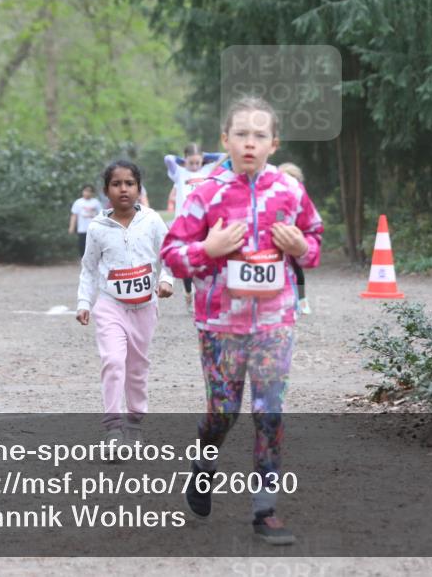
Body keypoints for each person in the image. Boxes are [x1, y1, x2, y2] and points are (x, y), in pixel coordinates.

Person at [161, 97, 323, 546]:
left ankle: (265, 510)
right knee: (223, 414)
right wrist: (206, 251)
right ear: (224, 141)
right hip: (220, 326)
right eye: (241, 134)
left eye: (259, 135)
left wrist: (300, 248)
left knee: (268, 413)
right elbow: (173, 256)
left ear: (274, 143)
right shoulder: (205, 193)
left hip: (275, 322)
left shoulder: (289, 192)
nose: (249, 143)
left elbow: (315, 240)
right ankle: (203, 466)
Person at [76, 160, 174, 448]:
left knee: (137, 366)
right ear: (107, 190)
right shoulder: (97, 228)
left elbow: (168, 254)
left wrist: (166, 279)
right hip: (110, 305)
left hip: (145, 307)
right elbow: (89, 268)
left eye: (129, 183)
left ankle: (134, 422)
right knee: (114, 361)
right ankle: (113, 427)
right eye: (116, 184)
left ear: (138, 188)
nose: (123, 189)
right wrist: (84, 302)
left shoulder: (153, 221)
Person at [164, 144, 225, 313]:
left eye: (198, 162)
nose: (195, 166)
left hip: (205, 221)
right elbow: (168, 158)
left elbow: (224, 156)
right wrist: (182, 161)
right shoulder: (180, 173)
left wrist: (206, 155)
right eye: (191, 162)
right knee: (187, 258)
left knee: (206, 257)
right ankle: (188, 291)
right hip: (185, 222)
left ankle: (204, 295)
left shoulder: (207, 170)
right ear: (185, 160)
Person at [277, 163, 312, 316]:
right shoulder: (275, 197)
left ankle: (302, 300)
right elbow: (276, 218)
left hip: (295, 238)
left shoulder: (300, 198)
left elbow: (306, 221)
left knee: (297, 269)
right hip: (279, 238)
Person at [69, 184, 102, 258]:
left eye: (90, 191)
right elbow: (74, 215)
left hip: (94, 229)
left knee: (94, 247)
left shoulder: (96, 202)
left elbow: (101, 215)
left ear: (93, 193)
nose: (87, 193)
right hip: (82, 229)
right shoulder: (78, 202)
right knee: (82, 247)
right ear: (82, 192)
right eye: (86, 191)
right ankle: (84, 263)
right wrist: (72, 227)